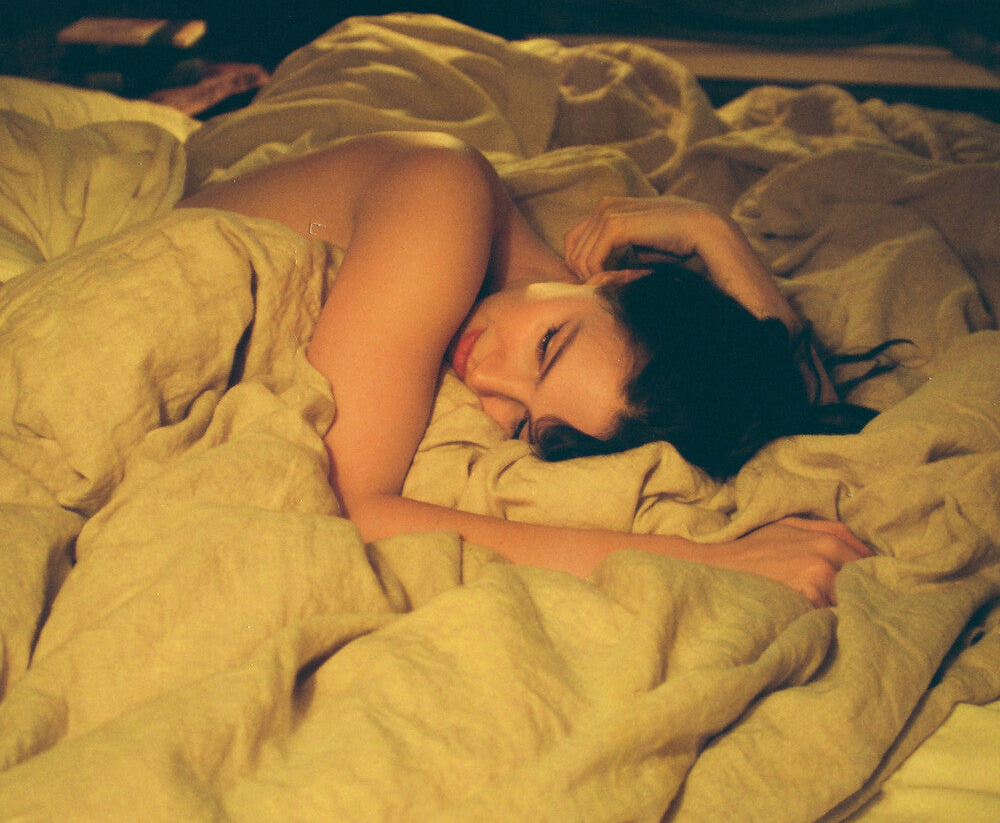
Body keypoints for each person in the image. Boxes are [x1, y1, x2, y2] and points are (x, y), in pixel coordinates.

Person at [180, 130, 873, 606]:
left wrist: (714, 236)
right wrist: (712, 561)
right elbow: (347, 504)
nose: (487, 376)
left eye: (520, 420)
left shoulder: (562, 325)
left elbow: (782, 407)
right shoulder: (443, 194)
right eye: (547, 345)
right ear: (615, 279)